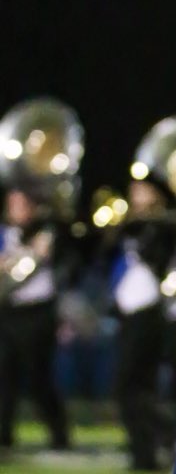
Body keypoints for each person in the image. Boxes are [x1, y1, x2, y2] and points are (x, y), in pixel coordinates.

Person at [107, 171, 176, 471]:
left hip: (148, 314)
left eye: (141, 190)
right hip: (127, 315)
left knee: (127, 386)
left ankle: (172, 434)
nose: (134, 195)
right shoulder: (132, 227)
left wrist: (143, 222)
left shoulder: (163, 225)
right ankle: (144, 455)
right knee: (136, 389)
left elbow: (160, 253)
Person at [0, 182, 73, 453]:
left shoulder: (46, 231)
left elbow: (59, 251)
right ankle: (4, 436)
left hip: (38, 311)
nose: (15, 210)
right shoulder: (5, 233)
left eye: (21, 204)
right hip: (9, 310)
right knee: (4, 374)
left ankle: (59, 434)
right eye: (12, 204)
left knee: (38, 376)